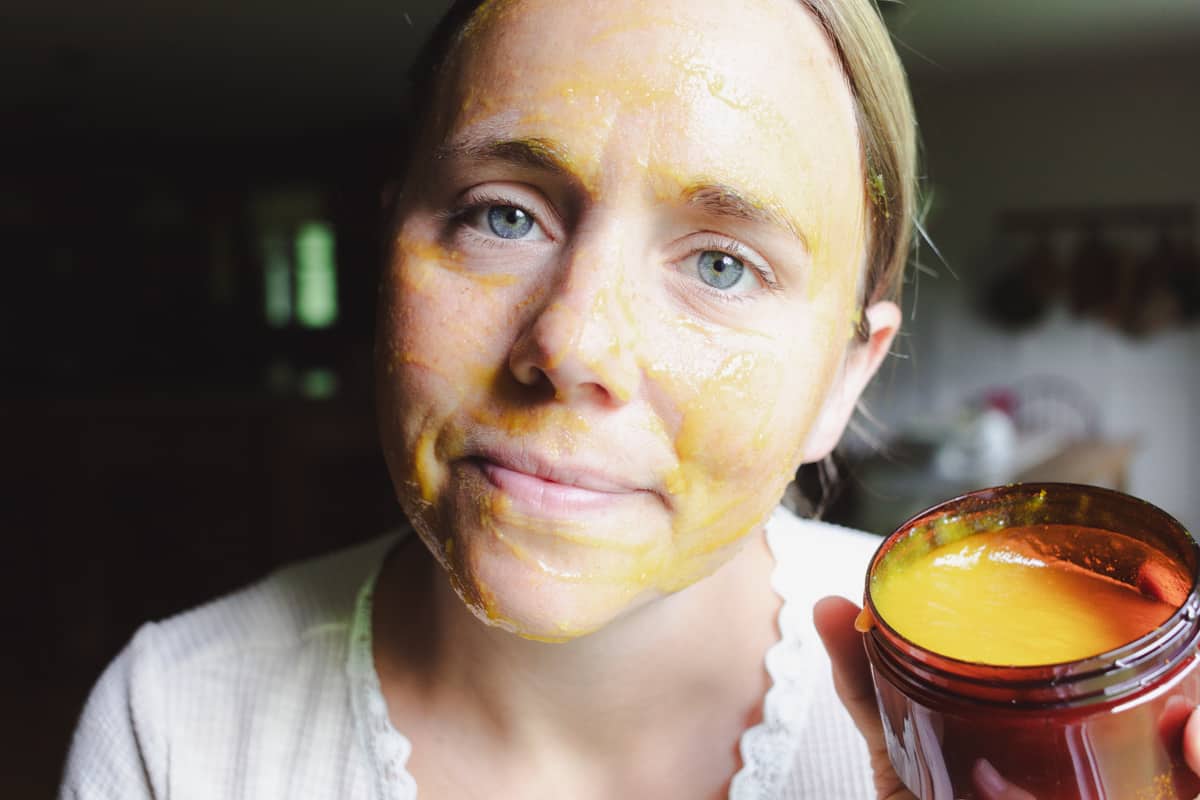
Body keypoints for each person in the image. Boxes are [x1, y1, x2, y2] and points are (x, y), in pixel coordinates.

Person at [58, 0, 1200, 798]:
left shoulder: (1025, 724)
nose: (570, 343)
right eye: (502, 213)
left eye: (721, 263)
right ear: (388, 249)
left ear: (844, 379)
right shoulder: (175, 719)